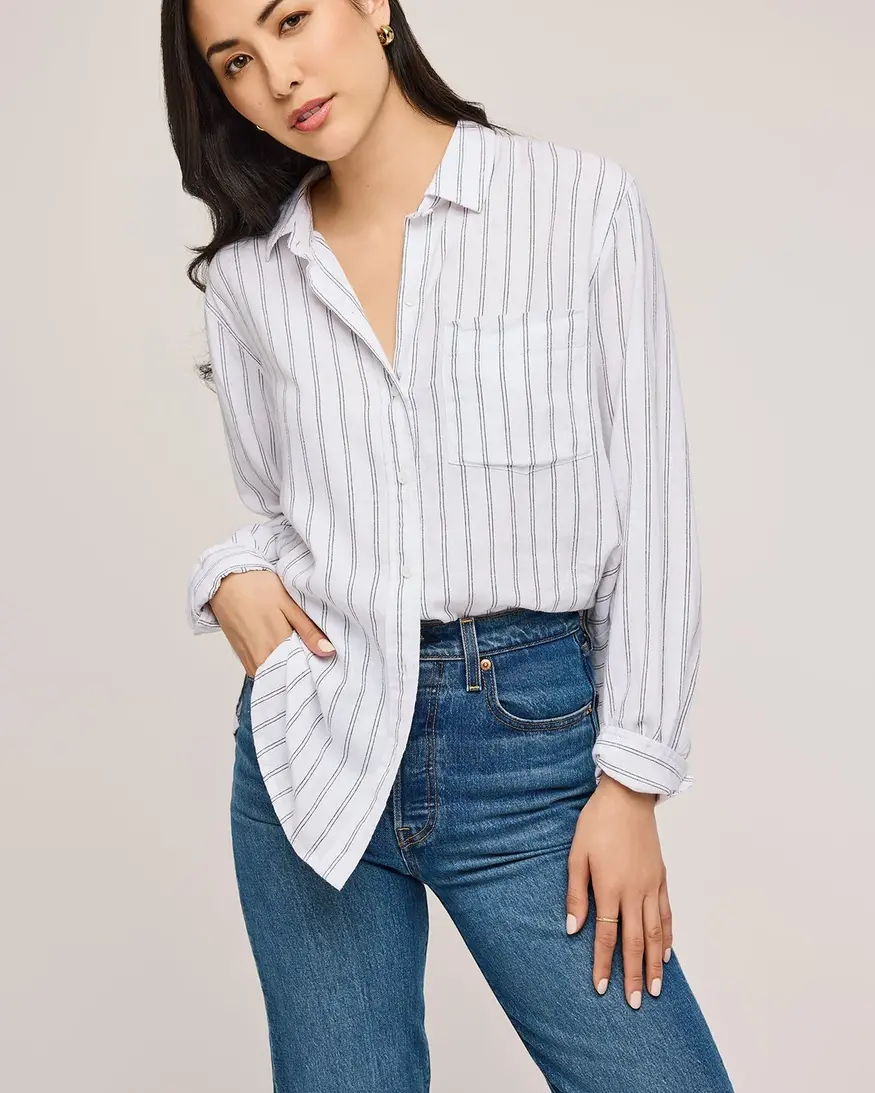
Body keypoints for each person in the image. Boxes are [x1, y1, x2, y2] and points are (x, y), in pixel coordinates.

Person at [168, 0, 735, 1089]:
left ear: (373, 7)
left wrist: (630, 783)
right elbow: (290, 514)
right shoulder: (252, 276)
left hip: (526, 744)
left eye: (292, 20)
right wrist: (227, 574)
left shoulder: (575, 206)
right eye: (234, 61)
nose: (277, 76)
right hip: (313, 741)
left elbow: (651, 508)